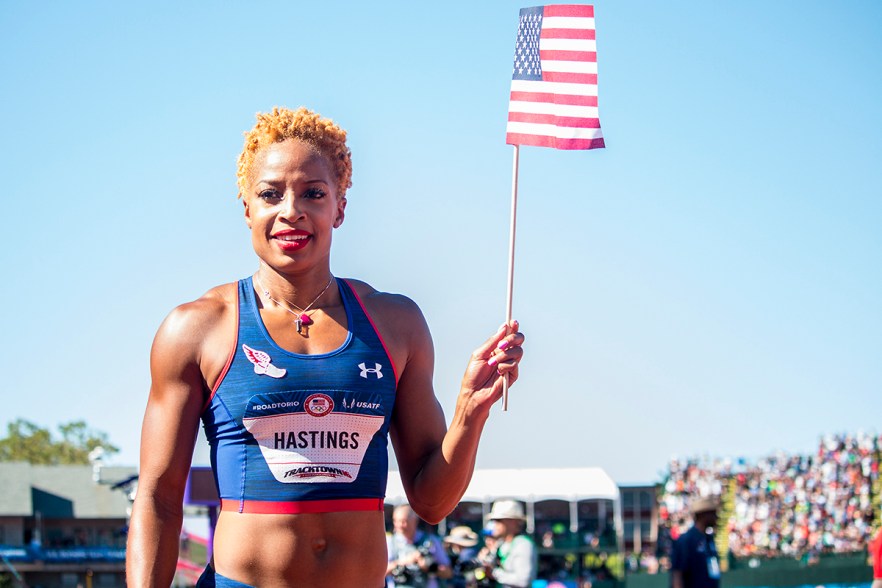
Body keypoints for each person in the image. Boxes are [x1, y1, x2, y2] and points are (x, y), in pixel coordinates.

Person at [125, 106, 525, 588]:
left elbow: (432, 502)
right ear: (247, 208)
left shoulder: (395, 324)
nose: (291, 210)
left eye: (313, 193)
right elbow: (159, 499)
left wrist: (469, 412)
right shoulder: (198, 329)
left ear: (339, 207)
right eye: (270, 194)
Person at [386, 504, 451, 587]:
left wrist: (429, 566)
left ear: (414, 521)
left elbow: (448, 572)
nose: (399, 525)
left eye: (404, 521)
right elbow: (380, 573)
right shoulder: (390, 542)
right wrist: (404, 562)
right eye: (396, 521)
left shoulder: (430, 541)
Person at [670, 496, 721, 588]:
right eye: (713, 513)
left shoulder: (709, 539)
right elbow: (677, 574)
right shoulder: (686, 540)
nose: (716, 517)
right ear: (703, 515)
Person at [485, 500, 537, 588]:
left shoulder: (523, 544)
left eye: (498, 520)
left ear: (512, 522)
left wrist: (494, 573)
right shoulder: (501, 544)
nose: (494, 524)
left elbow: (523, 580)